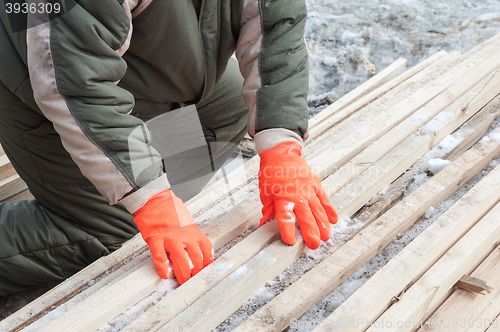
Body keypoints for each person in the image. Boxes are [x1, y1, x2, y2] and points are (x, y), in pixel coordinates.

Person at [0, 0, 338, 296]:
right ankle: (98, 210)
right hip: (40, 76)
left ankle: (121, 181)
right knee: (108, 232)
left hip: (134, 68)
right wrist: (150, 199)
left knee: (228, 110)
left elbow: (276, 19)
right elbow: (77, 86)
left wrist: (280, 147)